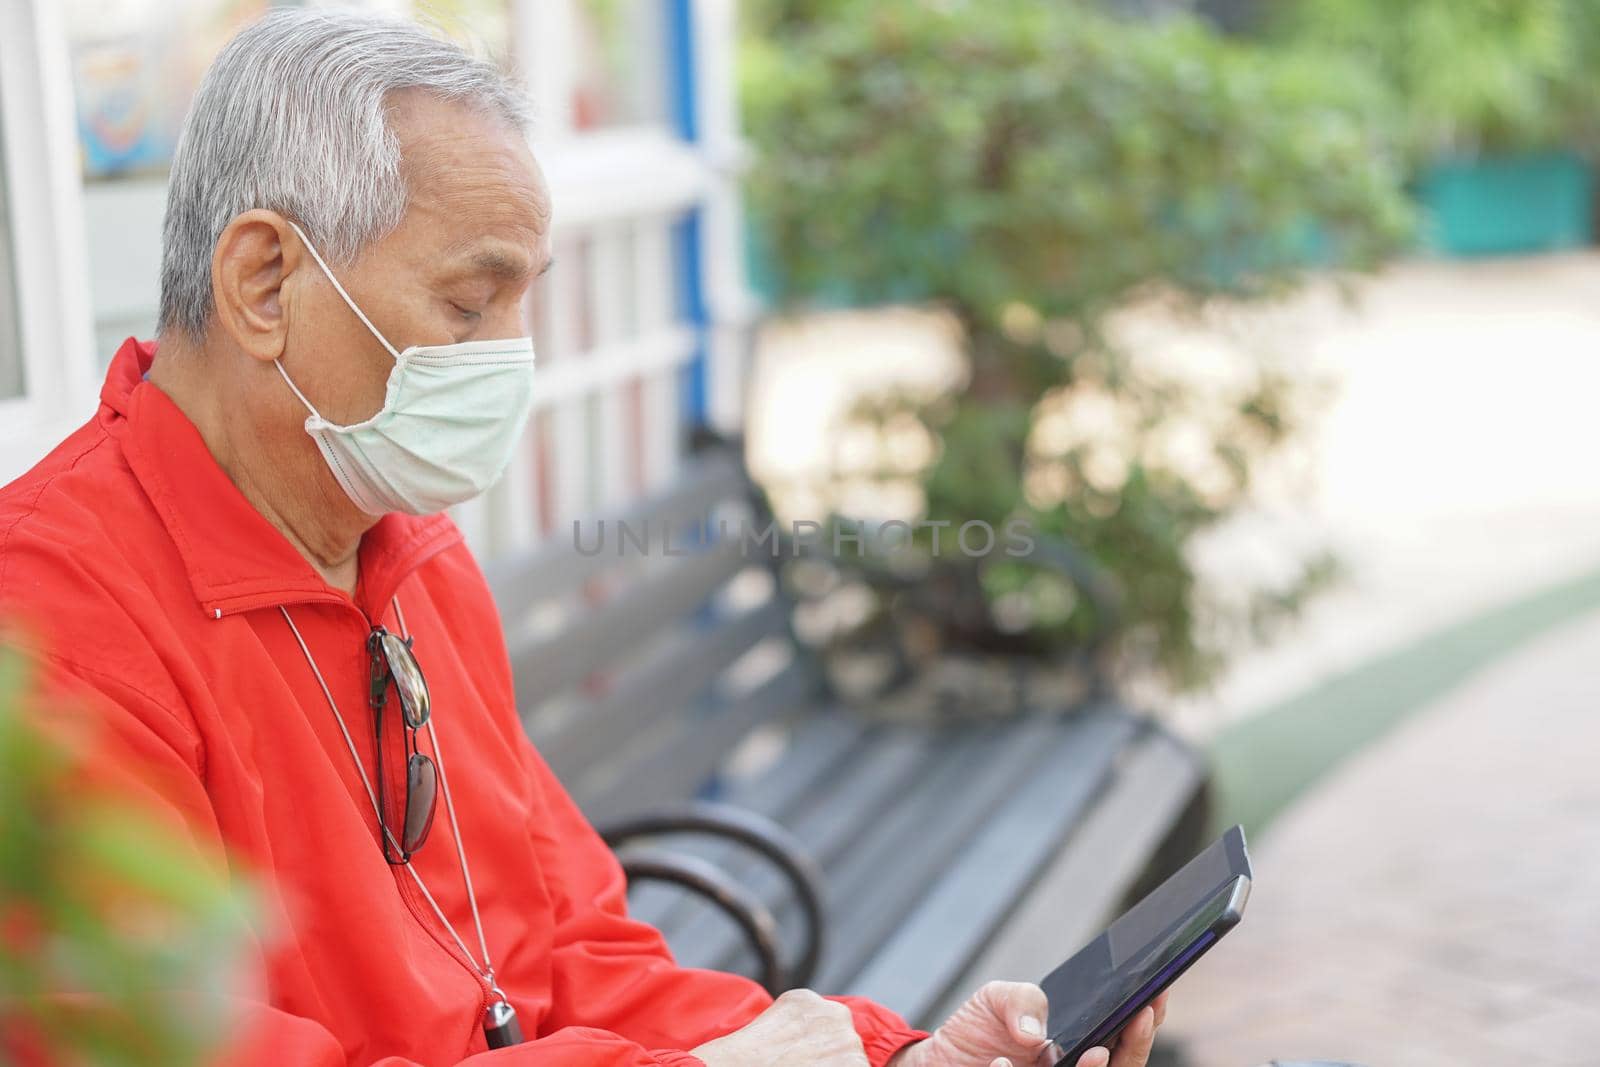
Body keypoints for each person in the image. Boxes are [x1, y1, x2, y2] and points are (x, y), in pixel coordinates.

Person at [0, 10, 1166, 1067]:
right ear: (263, 282)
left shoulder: (411, 556)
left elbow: (565, 952)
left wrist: (893, 1057)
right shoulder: (51, 627)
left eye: (524, 303)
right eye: (469, 304)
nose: (515, 356)